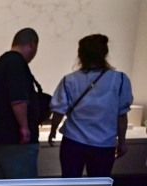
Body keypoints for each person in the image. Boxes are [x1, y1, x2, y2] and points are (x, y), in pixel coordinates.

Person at [48, 34, 133, 178]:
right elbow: (121, 115)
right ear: (104, 54)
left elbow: (59, 111)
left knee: (70, 182)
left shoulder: (70, 80)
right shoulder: (120, 80)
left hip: (74, 140)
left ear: (81, 55)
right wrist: (122, 141)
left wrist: (53, 131)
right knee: (99, 185)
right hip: (104, 143)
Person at [0, 28, 41, 179]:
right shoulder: (17, 64)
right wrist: (24, 127)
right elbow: (18, 99)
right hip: (16, 139)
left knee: (2, 185)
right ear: (32, 45)